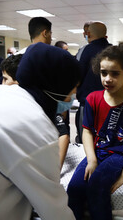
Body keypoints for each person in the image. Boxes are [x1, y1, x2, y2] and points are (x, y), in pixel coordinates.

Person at [0, 42, 81, 220]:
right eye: (73, 87)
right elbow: (54, 211)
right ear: (56, 85)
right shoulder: (38, 129)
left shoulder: (2, 93)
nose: (74, 94)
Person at [67, 42, 123, 220]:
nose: (107, 79)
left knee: (96, 186)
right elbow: (87, 132)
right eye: (104, 73)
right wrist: (91, 160)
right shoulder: (92, 99)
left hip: (120, 155)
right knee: (74, 189)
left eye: (114, 73)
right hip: (98, 151)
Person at [75, 21, 111, 143]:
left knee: (86, 142)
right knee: (108, 142)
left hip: (89, 106)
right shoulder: (115, 51)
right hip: (112, 106)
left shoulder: (84, 50)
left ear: (88, 34)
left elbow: (77, 79)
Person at [54, 40, 72, 169]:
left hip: (63, 109)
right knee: (60, 134)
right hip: (56, 108)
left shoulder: (66, 68)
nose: (67, 53)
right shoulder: (53, 67)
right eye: (65, 50)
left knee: (64, 132)